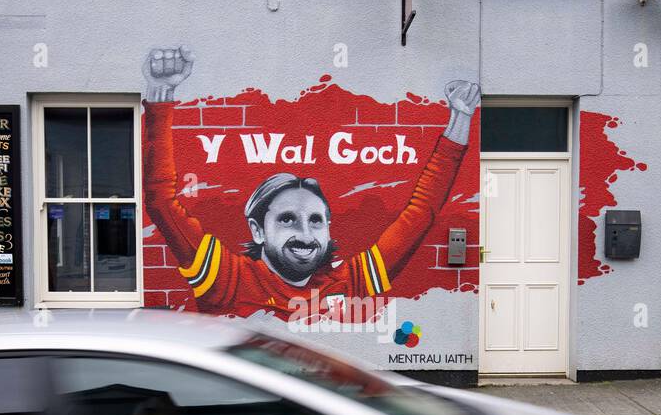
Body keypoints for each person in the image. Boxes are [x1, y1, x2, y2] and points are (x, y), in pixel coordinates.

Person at [141, 46, 480, 320]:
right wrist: (161, 95)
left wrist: (460, 118)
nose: (305, 234)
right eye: (287, 219)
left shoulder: (350, 283)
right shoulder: (226, 279)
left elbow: (420, 213)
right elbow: (161, 202)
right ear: (257, 230)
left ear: (329, 229)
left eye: (316, 220)